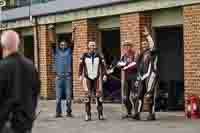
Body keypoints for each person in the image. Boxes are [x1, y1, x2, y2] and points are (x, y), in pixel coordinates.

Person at [0, 30, 40, 133]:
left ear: (3, 46)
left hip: (6, 125)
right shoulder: (30, 66)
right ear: (18, 44)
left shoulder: (2, 67)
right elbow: (35, 94)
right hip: (25, 125)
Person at [133, 27, 159, 120]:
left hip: (151, 75)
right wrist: (138, 77)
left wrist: (148, 36)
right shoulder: (142, 54)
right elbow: (137, 66)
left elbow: (152, 45)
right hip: (142, 77)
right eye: (142, 44)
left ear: (148, 45)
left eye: (145, 44)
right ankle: (137, 114)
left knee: (149, 95)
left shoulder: (152, 52)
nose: (143, 45)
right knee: (139, 95)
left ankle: (151, 114)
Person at [79, 41, 107, 121]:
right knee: (87, 97)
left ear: (95, 46)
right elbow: (81, 66)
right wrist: (80, 75)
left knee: (99, 97)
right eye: (91, 45)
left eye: (94, 45)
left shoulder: (99, 55)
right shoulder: (84, 55)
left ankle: (100, 114)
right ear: (88, 46)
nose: (92, 46)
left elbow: (103, 66)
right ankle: (88, 115)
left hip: (97, 78)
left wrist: (105, 74)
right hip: (87, 78)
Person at [50, 39, 73, 118]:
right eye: (61, 45)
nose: (63, 46)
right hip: (59, 77)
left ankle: (69, 112)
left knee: (68, 96)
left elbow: (72, 42)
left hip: (67, 77)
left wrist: (73, 32)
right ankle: (58, 113)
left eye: (64, 44)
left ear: (67, 46)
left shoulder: (69, 51)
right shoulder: (56, 52)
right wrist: (51, 30)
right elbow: (52, 42)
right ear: (59, 46)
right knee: (58, 97)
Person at [116, 41, 138, 119]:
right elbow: (118, 65)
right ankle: (129, 112)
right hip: (126, 78)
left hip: (134, 77)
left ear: (131, 46)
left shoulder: (135, 54)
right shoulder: (124, 56)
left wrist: (125, 65)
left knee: (134, 96)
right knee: (125, 97)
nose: (126, 47)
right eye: (125, 46)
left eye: (128, 46)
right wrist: (124, 64)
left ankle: (136, 113)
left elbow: (135, 64)